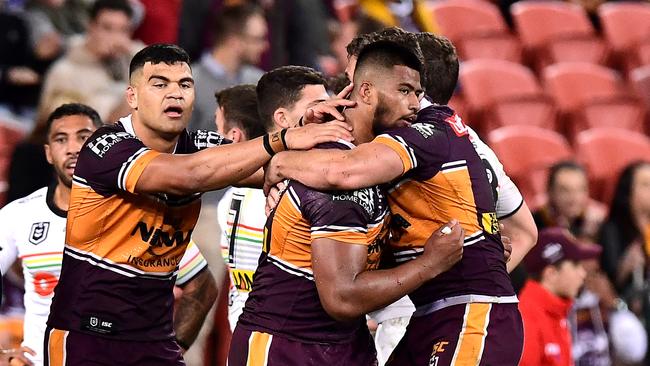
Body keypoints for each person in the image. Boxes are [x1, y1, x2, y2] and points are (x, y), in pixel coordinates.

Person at [43, 44, 351, 364]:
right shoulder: (106, 145)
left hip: (155, 341)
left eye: (185, 85)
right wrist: (282, 140)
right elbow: (185, 176)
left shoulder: (198, 145)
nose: (174, 94)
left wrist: (316, 128)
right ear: (132, 97)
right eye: (160, 84)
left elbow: (272, 166)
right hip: (88, 337)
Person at [265, 30, 535, 365]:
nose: (346, 91)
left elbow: (343, 171)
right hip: (427, 315)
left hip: (466, 313)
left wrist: (281, 161)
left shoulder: (424, 133)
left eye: (354, 78)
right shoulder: (401, 139)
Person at [230, 40, 464, 366]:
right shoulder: (336, 170)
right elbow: (341, 297)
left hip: (344, 344)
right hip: (288, 347)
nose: (416, 105)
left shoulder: (370, 164)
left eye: (418, 93)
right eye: (405, 91)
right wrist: (430, 263)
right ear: (366, 93)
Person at [0, 103, 216, 366]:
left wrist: (173, 350)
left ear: (102, 145)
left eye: (83, 137)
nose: (73, 148)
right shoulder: (19, 215)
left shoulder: (140, 212)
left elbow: (202, 286)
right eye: (60, 139)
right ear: (48, 153)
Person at [217, 67, 329, 331]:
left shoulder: (230, 197)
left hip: (250, 335)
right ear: (282, 118)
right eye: (317, 107)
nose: (328, 114)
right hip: (289, 340)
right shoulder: (293, 195)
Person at [38, 0, 143, 122]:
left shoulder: (129, 59)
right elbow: (104, 125)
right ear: (91, 26)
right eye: (107, 28)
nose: (116, 38)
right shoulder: (65, 72)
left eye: (123, 30)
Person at [519, 227, 601, 366]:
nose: (583, 274)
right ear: (551, 273)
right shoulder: (526, 318)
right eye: (575, 265)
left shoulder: (556, 311)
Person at [187, 3, 268, 132]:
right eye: (258, 39)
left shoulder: (260, 81)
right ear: (234, 42)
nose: (265, 46)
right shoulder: (189, 83)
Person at [534, 161, 606, 243]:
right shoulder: (535, 223)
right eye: (564, 190)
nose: (573, 197)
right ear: (550, 192)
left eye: (580, 189)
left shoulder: (599, 223)